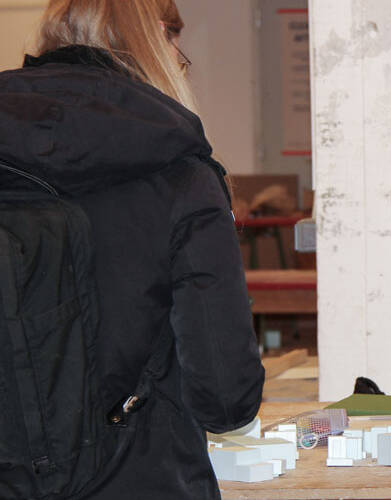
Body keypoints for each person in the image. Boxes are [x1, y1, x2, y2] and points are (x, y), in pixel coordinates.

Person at [0, 1, 264, 498]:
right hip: (143, 478)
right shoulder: (180, 172)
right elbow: (226, 398)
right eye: (176, 48)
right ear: (157, 37)